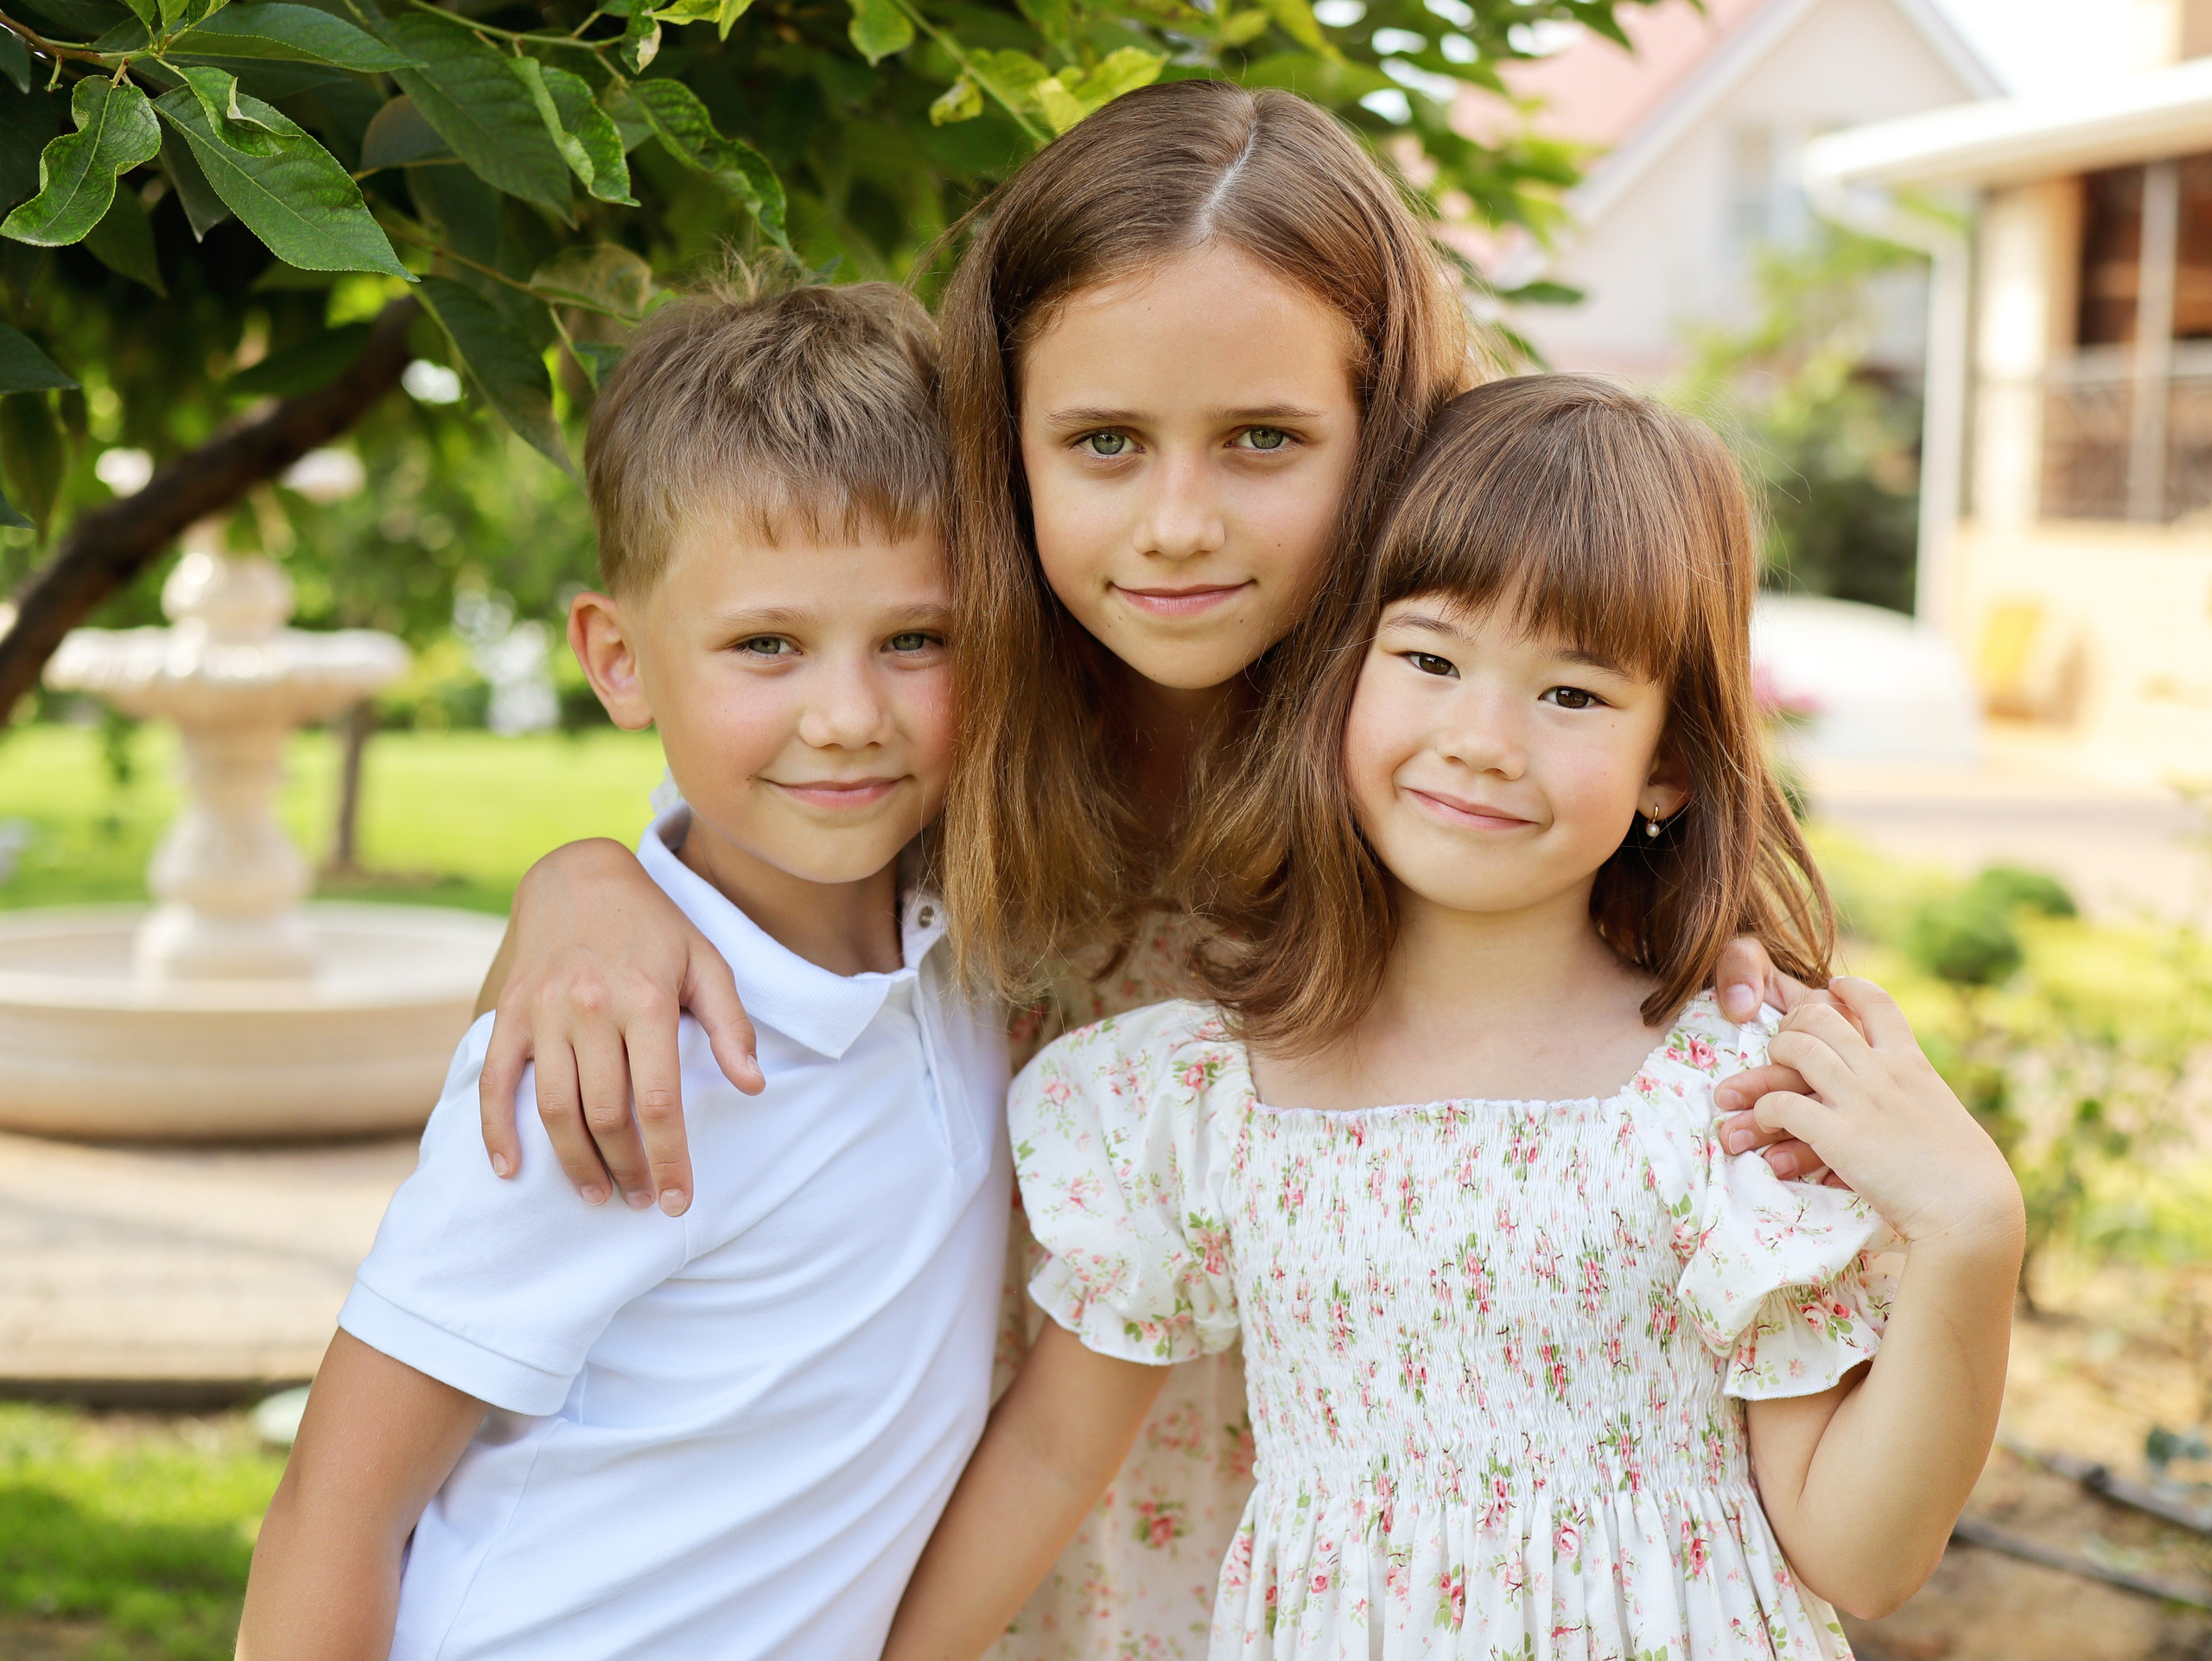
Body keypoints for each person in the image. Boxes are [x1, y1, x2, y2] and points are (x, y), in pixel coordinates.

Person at [472, 85, 1834, 1658]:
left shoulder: (1460, 771)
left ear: (1383, 437)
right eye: (1105, 442)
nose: (1178, 525)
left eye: (1264, 440)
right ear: (1009, 442)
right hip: (952, 1519)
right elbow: (748, 859)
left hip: (1357, 1566)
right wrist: (587, 876)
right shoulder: (941, 724)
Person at [883, 378, 2025, 1660]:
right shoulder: (1207, 1096)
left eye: (1573, 695)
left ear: (1671, 764)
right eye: (1429, 660)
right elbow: (1049, 1454)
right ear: (1343, 680)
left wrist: (1973, 1235)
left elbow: (1863, 1557)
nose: (1483, 738)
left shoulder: (1726, 1098)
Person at [235, 281, 1013, 1661]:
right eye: (766, 644)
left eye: (917, 638)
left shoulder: (977, 952)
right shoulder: (598, 1054)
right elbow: (334, 1514)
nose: (847, 717)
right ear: (617, 656)